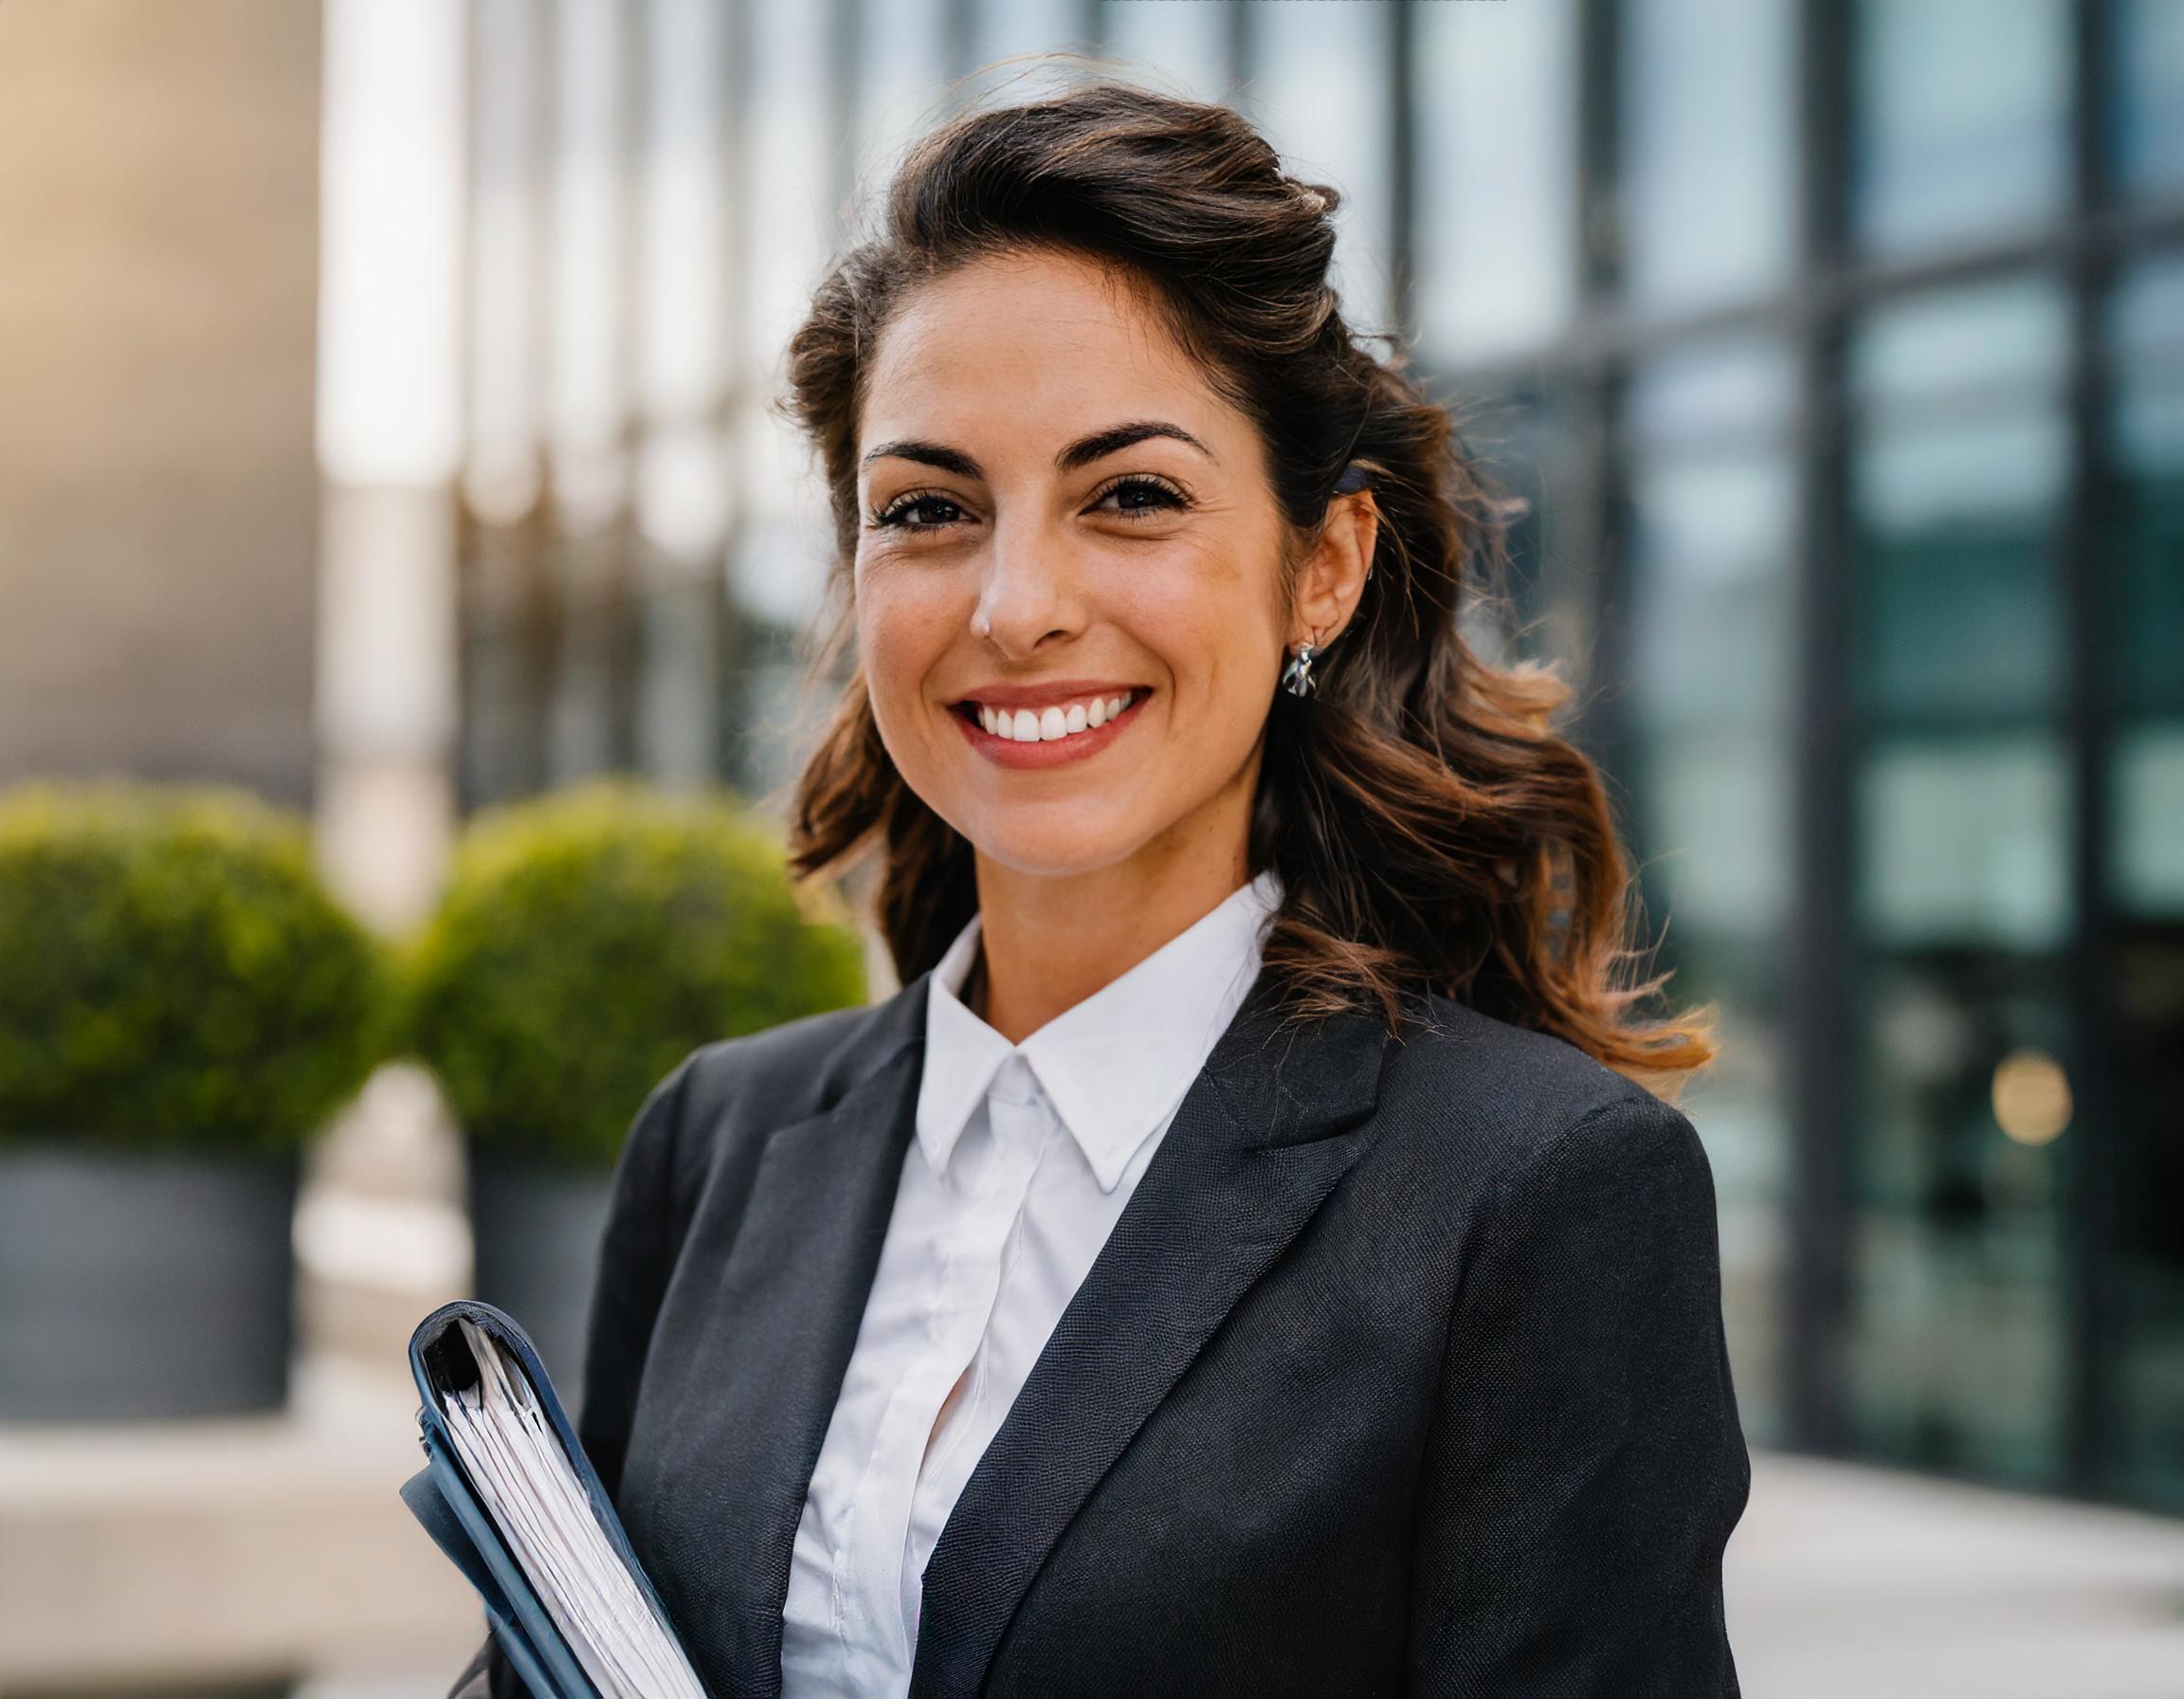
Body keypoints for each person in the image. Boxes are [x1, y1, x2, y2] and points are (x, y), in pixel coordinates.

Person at [448, 75, 1747, 1699]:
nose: (1015, 605)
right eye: (929, 510)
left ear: (1323, 567)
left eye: (1131, 495)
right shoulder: (719, 1138)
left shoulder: (1534, 1195)